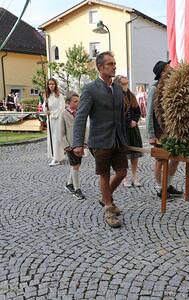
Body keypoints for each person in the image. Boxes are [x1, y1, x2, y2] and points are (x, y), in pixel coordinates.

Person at [73, 51, 127, 229]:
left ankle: (105, 198)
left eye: (114, 63)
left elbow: (120, 115)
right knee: (104, 174)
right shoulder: (90, 89)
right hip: (100, 139)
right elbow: (81, 117)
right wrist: (78, 144)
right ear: (100, 67)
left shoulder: (118, 89)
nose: (114, 66)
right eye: (110, 64)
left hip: (118, 139)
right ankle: (109, 209)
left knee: (122, 173)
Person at [146, 60, 183, 199]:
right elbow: (149, 113)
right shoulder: (154, 89)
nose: (172, 68)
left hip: (171, 131)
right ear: (163, 72)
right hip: (159, 131)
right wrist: (151, 134)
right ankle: (159, 188)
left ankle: (167, 185)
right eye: (168, 68)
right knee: (161, 160)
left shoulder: (172, 86)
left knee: (176, 158)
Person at [114, 75, 143, 187]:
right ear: (118, 84)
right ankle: (125, 178)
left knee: (135, 155)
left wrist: (135, 121)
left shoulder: (131, 96)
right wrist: (128, 121)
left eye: (126, 83)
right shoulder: (116, 96)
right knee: (124, 154)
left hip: (133, 129)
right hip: (123, 129)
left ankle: (135, 177)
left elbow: (137, 111)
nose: (126, 85)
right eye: (124, 83)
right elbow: (117, 114)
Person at [59, 91, 88, 200]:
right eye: (75, 101)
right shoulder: (64, 114)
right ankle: (77, 189)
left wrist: (85, 141)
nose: (78, 103)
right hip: (70, 145)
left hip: (79, 144)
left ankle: (69, 183)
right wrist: (66, 146)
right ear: (68, 102)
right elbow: (61, 132)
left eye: (79, 101)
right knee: (75, 165)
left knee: (76, 165)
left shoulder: (80, 113)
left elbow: (85, 128)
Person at [44, 78, 65, 166]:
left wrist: (53, 114)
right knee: (51, 138)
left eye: (52, 84)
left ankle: (57, 158)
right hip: (50, 121)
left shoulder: (59, 96)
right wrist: (46, 109)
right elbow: (45, 108)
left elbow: (61, 108)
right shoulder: (47, 96)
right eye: (49, 84)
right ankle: (54, 156)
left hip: (57, 120)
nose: (51, 86)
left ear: (55, 85)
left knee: (57, 139)